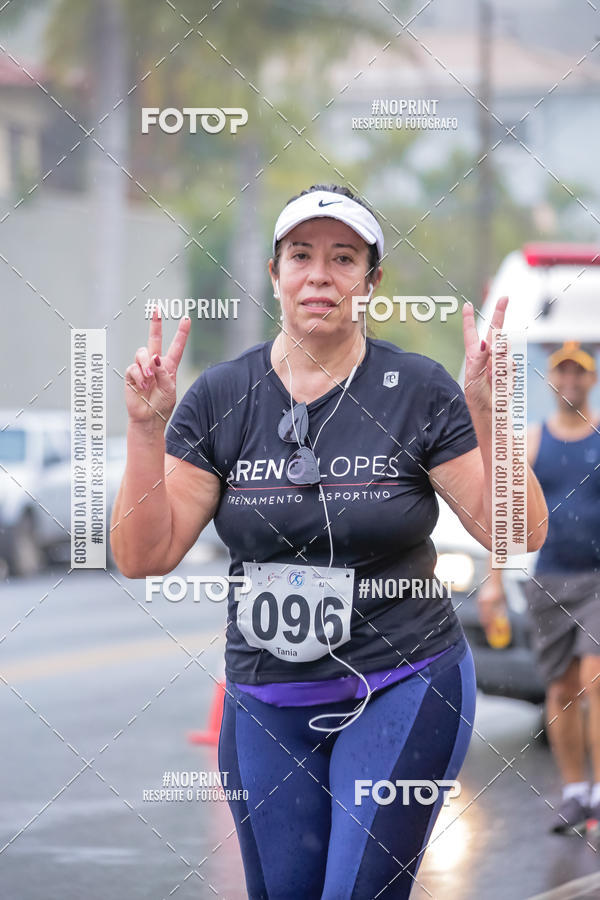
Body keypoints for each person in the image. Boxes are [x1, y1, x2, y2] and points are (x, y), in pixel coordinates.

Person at [111, 183, 547, 898]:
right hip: (266, 697)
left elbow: (517, 530)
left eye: (344, 259)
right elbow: (142, 556)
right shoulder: (221, 396)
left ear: (371, 282)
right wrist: (144, 428)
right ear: (275, 273)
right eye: (301, 256)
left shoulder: (417, 389)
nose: (321, 275)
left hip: (401, 682)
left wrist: (490, 411)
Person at [478, 341, 600, 837]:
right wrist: (493, 584)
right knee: (562, 689)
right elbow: (504, 515)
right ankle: (575, 792)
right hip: (549, 581)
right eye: (561, 372)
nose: (570, 380)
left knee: (595, 678)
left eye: (579, 372)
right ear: (551, 380)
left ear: (591, 379)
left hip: (597, 580)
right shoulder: (532, 441)